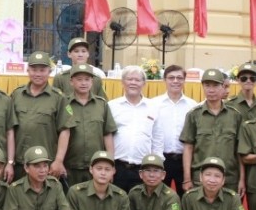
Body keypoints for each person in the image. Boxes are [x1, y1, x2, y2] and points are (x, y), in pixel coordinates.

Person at [180, 68, 243, 192]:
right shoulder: (194, 115)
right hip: (201, 178)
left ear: (223, 87)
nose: (211, 90)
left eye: (215, 85)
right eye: (207, 85)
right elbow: (188, 147)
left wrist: (242, 179)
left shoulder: (235, 115)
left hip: (229, 178)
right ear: (203, 87)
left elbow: (239, 150)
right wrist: (187, 178)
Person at [9, 51, 69, 177]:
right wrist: (9, 161)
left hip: (45, 165)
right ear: (28, 70)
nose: (38, 74)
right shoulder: (16, 94)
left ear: (49, 71)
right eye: (34, 70)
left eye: (42, 70)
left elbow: (65, 130)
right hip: (19, 162)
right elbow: (9, 129)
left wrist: (58, 161)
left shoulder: (59, 97)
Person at [61, 64, 116, 186]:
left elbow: (107, 134)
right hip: (70, 167)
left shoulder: (102, 105)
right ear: (71, 82)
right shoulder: (63, 104)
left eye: (87, 79)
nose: (83, 83)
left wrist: (111, 164)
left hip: (96, 168)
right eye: (79, 79)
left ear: (92, 81)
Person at [149, 64, 195, 193]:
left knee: (185, 200)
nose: (175, 81)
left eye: (179, 78)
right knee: (158, 200)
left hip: (184, 161)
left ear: (184, 80)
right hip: (160, 159)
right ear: (165, 80)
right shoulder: (153, 104)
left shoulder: (192, 106)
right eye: (171, 78)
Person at [109, 64, 154, 192]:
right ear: (122, 82)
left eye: (137, 80)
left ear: (144, 83)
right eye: (129, 79)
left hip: (143, 169)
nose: (133, 83)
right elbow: (106, 136)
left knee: (140, 209)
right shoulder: (112, 106)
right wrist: (109, 167)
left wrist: (154, 167)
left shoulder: (153, 107)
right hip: (118, 167)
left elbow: (157, 139)